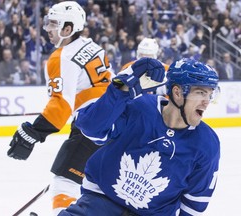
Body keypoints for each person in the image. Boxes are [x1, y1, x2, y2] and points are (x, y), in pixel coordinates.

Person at [59, 57, 220, 215]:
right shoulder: (140, 106)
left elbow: (194, 203)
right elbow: (91, 128)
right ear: (177, 92)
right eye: (200, 93)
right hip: (100, 203)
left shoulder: (207, 144)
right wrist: (120, 88)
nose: (207, 101)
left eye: (210, 94)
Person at [6, 1, 114, 215]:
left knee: (65, 179)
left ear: (68, 29)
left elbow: (61, 105)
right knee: (97, 185)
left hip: (94, 124)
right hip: (120, 121)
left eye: (54, 24)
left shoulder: (61, 57)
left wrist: (34, 132)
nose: (47, 29)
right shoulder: (93, 46)